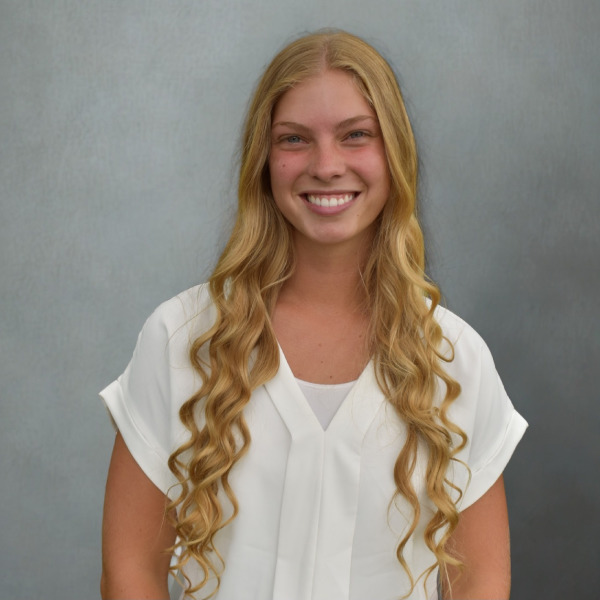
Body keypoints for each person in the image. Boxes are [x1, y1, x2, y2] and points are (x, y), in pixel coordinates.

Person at [100, 30, 527, 600]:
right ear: (264, 160)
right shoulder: (183, 340)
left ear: (395, 153)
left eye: (356, 135)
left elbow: (480, 581)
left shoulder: (455, 360)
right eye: (295, 139)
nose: (326, 166)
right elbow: (130, 570)